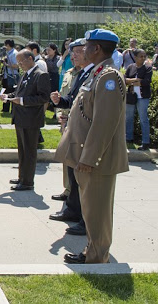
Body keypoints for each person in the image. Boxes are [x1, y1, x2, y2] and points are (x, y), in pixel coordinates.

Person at [57, 29, 128, 264]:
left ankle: (97, 258)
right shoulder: (97, 73)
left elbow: (104, 123)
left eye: (86, 46)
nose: (81, 50)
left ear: (96, 49)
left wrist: (90, 157)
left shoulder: (108, 77)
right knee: (90, 210)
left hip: (97, 160)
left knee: (97, 212)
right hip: (87, 156)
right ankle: (92, 251)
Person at [50, 38, 93, 236]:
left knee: (86, 182)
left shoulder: (97, 74)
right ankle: (73, 210)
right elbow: (74, 100)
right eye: (72, 51)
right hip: (73, 129)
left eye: (77, 51)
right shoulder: (83, 73)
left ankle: (85, 220)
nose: (72, 55)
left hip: (85, 134)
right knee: (73, 175)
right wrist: (61, 101)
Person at [0, 50, 51, 191]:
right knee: (22, 150)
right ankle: (22, 176)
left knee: (29, 151)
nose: (20, 65)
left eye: (21, 61)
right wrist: (8, 96)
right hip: (21, 118)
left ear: (30, 58)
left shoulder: (41, 75)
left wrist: (21, 101)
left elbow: (43, 97)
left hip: (31, 119)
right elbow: (18, 93)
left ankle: (28, 181)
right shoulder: (26, 74)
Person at [125, 48, 152, 151]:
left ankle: (145, 142)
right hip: (131, 96)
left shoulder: (147, 68)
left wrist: (131, 81)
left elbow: (146, 81)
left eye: (144, 56)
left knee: (143, 119)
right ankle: (129, 138)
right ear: (135, 57)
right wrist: (135, 80)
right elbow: (125, 79)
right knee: (129, 118)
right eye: (141, 56)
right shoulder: (130, 67)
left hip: (143, 97)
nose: (143, 58)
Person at [1, 39, 19, 112]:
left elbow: (17, 65)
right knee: (5, 91)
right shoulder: (7, 53)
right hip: (6, 75)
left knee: (11, 92)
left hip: (12, 75)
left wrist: (7, 65)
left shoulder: (14, 53)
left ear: (7, 45)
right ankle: (5, 108)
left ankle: (13, 110)